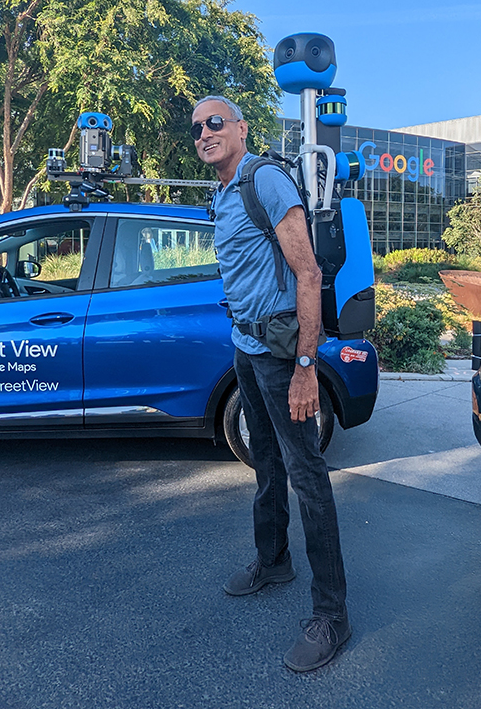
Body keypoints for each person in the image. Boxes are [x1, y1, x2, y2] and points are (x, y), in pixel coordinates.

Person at [191, 95, 350, 672]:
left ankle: (332, 615)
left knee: (307, 476)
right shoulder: (222, 192)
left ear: (240, 128)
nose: (205, 133)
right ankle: (273, 559)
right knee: (266, 461)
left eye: (215, 123)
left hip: (284, 357)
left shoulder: (267, 181)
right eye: (197, 128)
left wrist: (308, 367)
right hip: (246, 346)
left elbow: (308, 271)